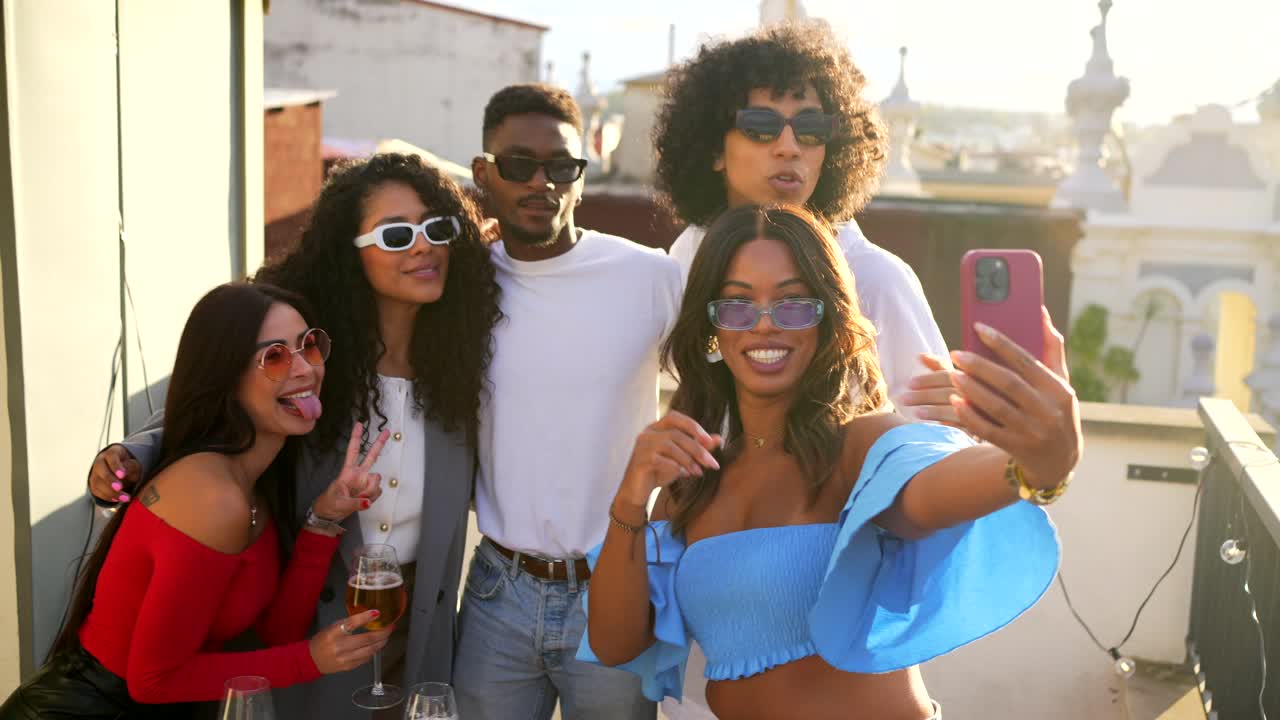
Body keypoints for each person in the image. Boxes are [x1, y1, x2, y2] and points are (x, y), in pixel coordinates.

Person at [579, 205, 1078, 720]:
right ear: (712, 329)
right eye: (737, 306)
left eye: (794, 304)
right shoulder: (692, 482)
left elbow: (931, 492)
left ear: (828, 317)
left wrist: (1033, 466)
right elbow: (616, 644)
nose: (765, 326)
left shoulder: (860, 445)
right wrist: (632, 497)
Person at [85, 153, 502, 718]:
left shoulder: (462, 367)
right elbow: (219, 401)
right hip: (304, 629)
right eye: (397, 234)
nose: (423, 245)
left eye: (436, 228)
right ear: (346, 253)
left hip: (417, 624)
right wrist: (135, 454)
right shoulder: (312, 357)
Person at [1, 283, 392, 718]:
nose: (305, 369)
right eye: (276, 356)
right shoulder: (213, 497)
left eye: (309, 346)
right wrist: (311, 661)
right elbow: (153, 681)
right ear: (225, 375)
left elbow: (278, 633)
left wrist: (323, 520)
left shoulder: (250, 484)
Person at [452, 83, 680, 720]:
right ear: (484, 173)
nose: (541, 182)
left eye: (562, 167)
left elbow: (727, 372)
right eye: (519, 165)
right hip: (500, 589)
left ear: (582, 176)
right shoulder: (463, 285)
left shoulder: (650, 276)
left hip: (617, 585)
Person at [655, 21, 949, 412]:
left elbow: (935, 438)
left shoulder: (874, 278)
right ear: (713, 150)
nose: (789, 147)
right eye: (761, 127)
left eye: (810, 129)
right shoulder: (685, 259)